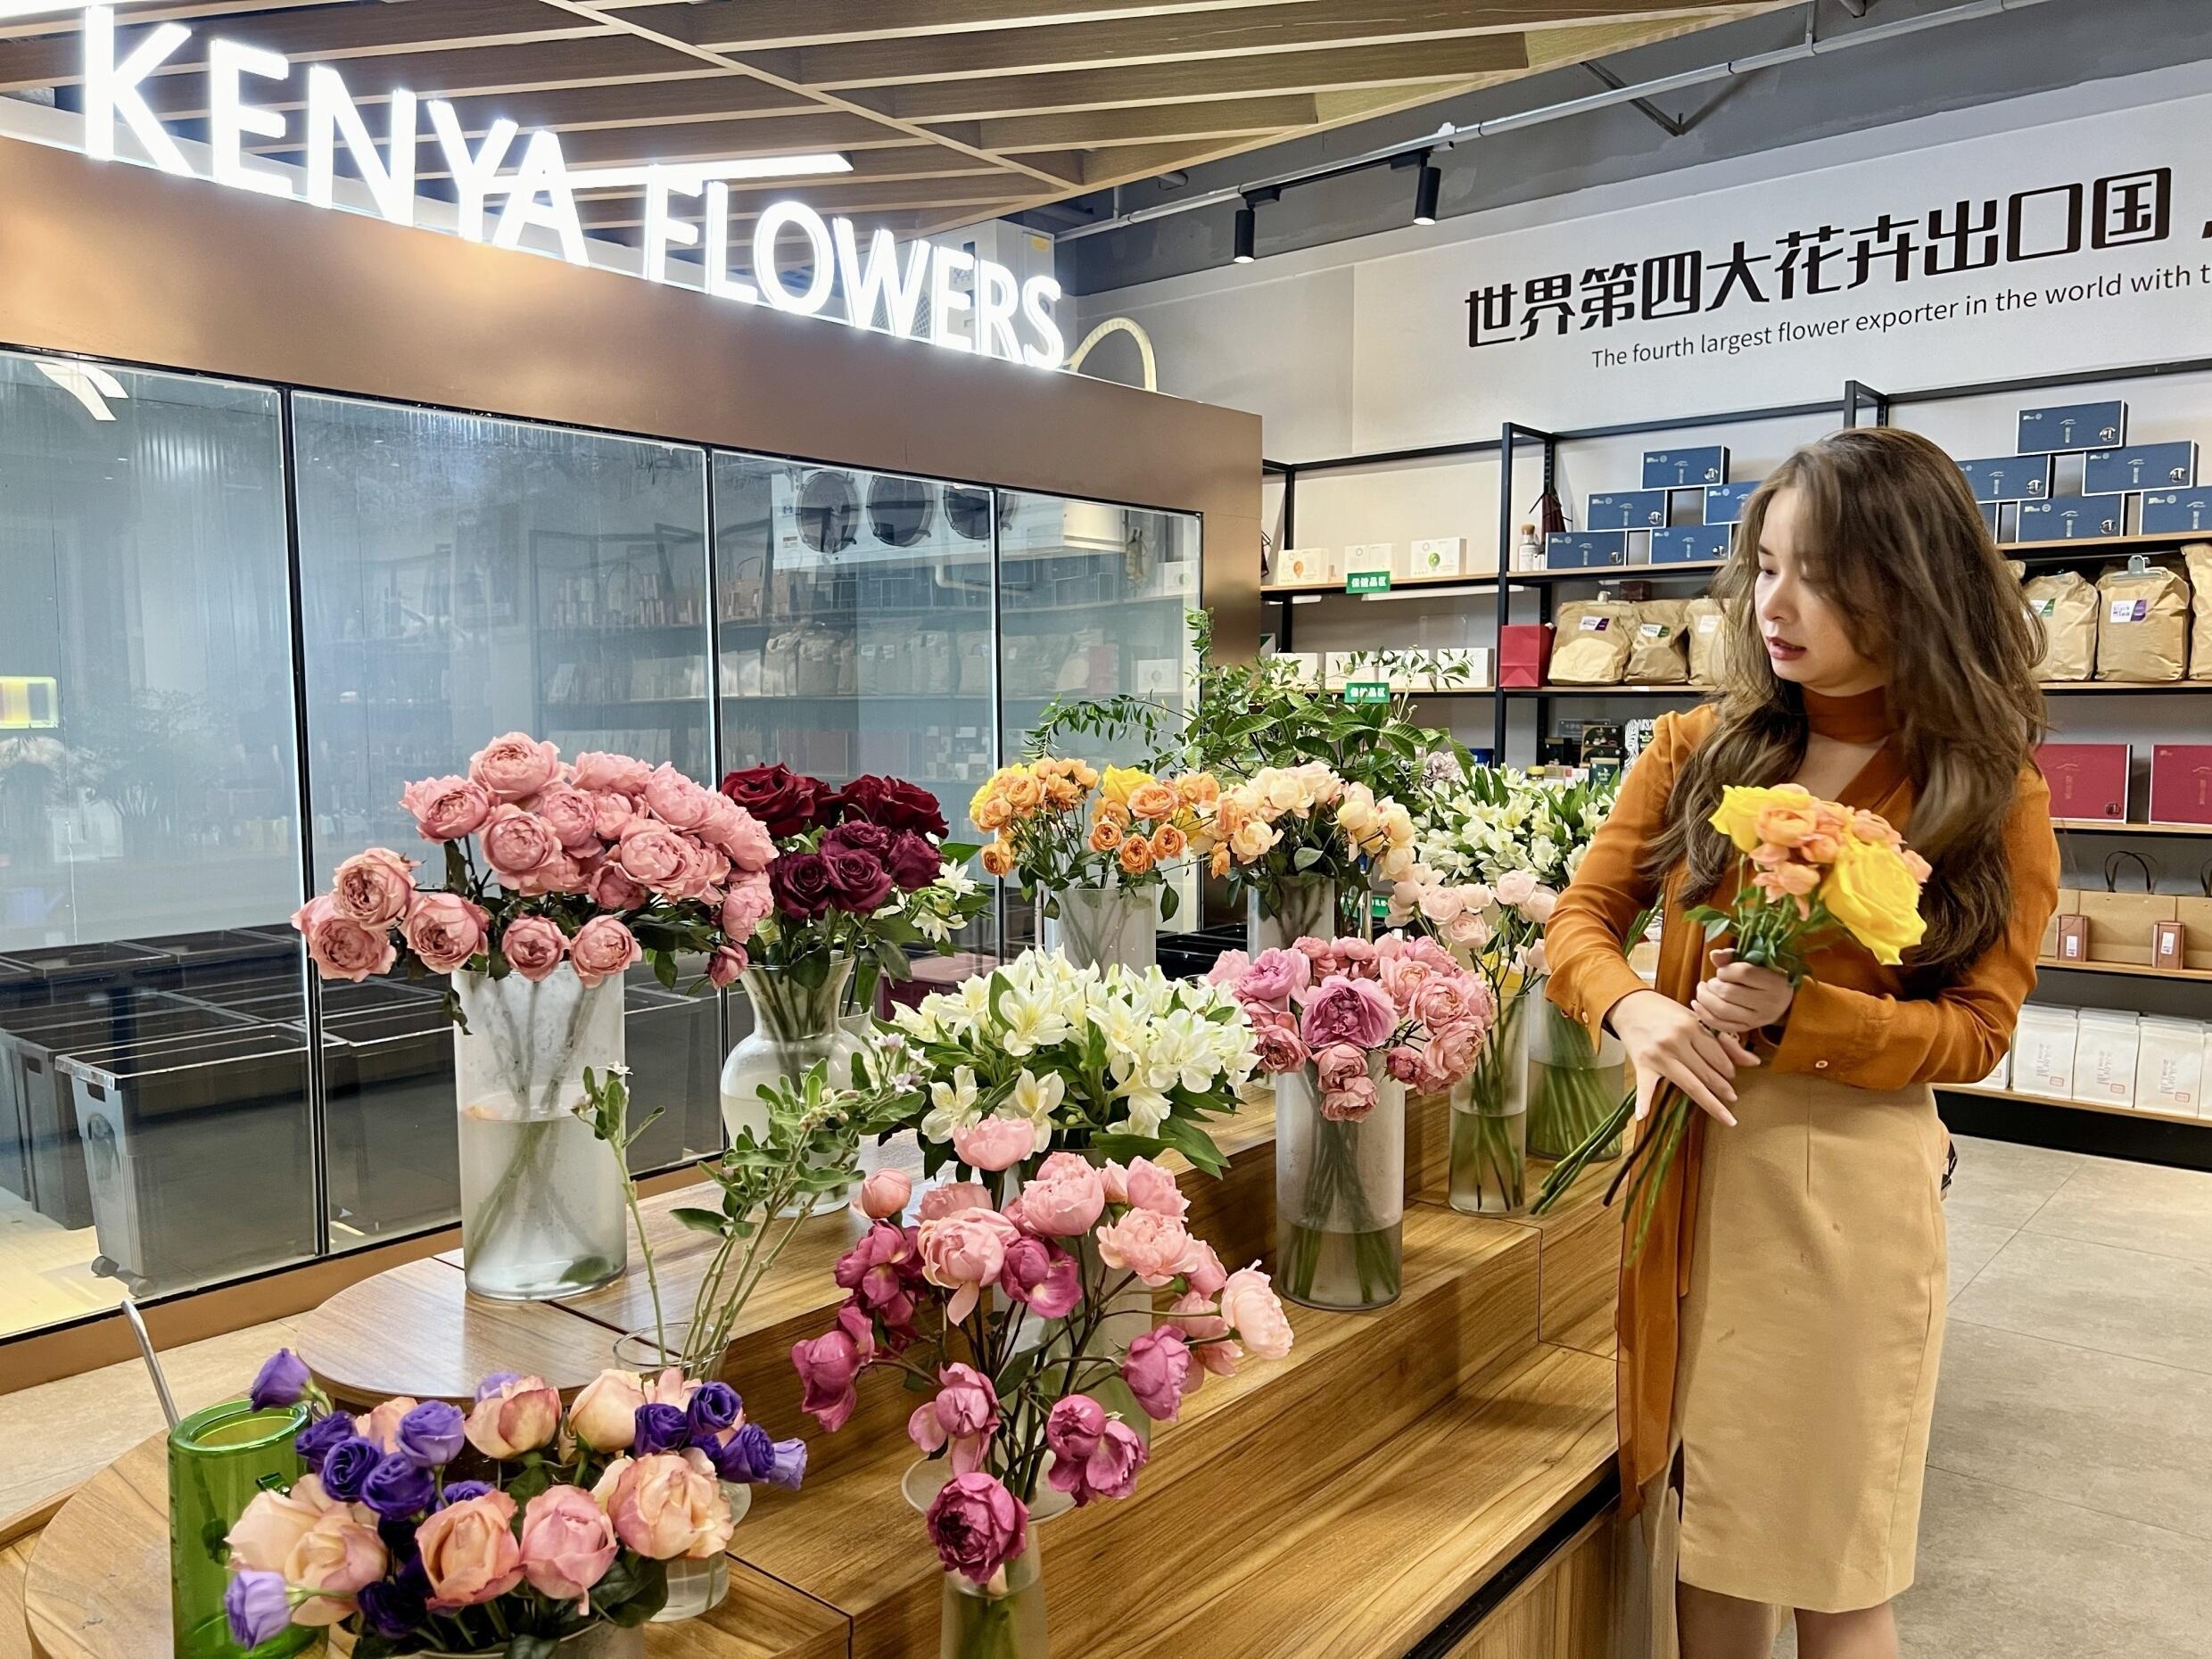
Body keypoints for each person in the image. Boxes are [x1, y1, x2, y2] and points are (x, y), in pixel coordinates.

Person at [1544, 427, 2059, 1659]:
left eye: (1819, 573)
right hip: (1685, 1182)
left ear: (1914, 581)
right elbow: (1580, 921)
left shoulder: (1984, 788)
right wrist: (1637, 1008)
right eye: (1766, 566)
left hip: (1845, 1208)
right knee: (1712, 1542)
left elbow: (1978, 1032)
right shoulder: (1696, 748)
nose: (1777, 604)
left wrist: (1802, 1017)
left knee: (1832, 1568)